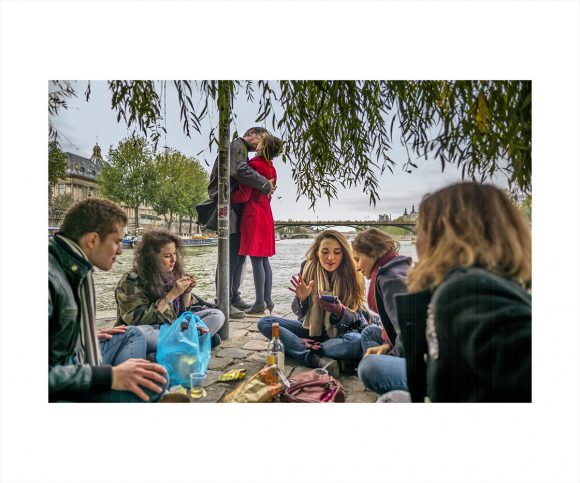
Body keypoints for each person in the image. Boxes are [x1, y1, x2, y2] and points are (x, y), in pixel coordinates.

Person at [395, 182, 532, 402]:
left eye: (422, 228)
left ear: (444, 236)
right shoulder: (500, 283)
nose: (417, 239)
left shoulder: (464, 291)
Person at [49, 198, 168, 402]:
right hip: (62, 382)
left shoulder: (68, 264)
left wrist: (81, 336)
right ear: (92, 240)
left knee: (130, 333)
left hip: (76, 355)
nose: (120, 250)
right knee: (154, 384)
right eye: (117, 242)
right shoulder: (49, 279)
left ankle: (125, 378)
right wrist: (109, 377)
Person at [258, 230, 368, 377]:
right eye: (325, 252)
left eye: (337, 252)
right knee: (265, 322)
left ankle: (301, 347)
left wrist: (340, 311)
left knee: (356, 341)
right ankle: (313, 357)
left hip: (340, 334)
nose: (331, 257)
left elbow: (357, 317)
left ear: (344, 254)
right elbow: (300, 314)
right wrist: (302, 299)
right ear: (317, 252)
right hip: (310, 329)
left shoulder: (354, 273)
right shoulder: (307, 268)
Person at [201, 127, 276, 319]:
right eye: (260, 139)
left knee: (238, 257)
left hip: (236, 208)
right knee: (229, 257)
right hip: (230, 207)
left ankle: (233, 297)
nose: (260, 145)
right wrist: (265, 184)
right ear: (251, 133)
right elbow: (239, 170)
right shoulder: (237, 146)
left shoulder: (242, 150)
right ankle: (224, 300)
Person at [115, 230, 225, 354]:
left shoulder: (174, 274)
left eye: (174, 253)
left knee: (217, 315)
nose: (174, 260)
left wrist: (187, 291)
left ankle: (180, 345)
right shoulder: (131, 281)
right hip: (152, 328)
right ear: (151, 258)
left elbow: (184, 312)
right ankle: (192, 341)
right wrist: (172, 294)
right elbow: (138, 320)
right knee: (139, 333)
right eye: (167, 256)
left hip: (174, 326)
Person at [350, 228, 412, 396]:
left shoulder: (390, 280)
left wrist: (391, 355)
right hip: (412, 342)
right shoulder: (396, 267)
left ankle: (387, 384)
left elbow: (409, 334)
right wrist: (386, 345)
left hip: (417, 354)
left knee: (368, 367)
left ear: (373, 252)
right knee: (369, 332)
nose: (357, 267)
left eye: (358, 259)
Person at [231, 134, 283, 314]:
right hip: (266, 214)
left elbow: (243, 195)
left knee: (255, 260)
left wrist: (228, 197)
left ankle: (259, 302)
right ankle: (268, 299)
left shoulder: (253, 166)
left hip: (253, 215)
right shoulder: (272, 169)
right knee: (264, 259)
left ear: (261, 147)